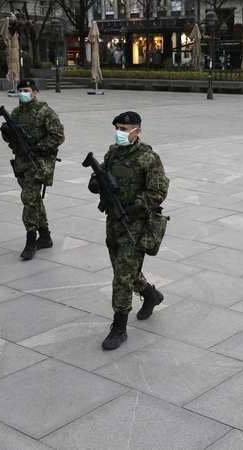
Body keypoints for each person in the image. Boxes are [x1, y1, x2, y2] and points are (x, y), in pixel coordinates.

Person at [91, 111, 169, 350]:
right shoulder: (113, 153)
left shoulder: (148, 158)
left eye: (125, 129)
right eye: (117, 128)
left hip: (135, 225)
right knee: (123, 271)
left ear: (137, 130)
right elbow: (101, 174)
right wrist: (95, 182)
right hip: (113, 222)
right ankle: (151, 294)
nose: (120, 133)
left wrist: (137, 204)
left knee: (122, 278)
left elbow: (158, 191)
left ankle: (119, 327)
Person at [0, 79, 65, 260]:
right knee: (34, 198)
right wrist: (6, 131)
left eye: (26, 90)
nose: (23, 93)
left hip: (40, 163)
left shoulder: (45, 112)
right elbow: (9, 140)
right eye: (20, 90)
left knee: (28, 198)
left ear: (35, 92)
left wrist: (39, 147)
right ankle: (44, 236)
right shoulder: (15, 113)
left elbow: (58, 136)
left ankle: (31, 240)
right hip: (22, 161)